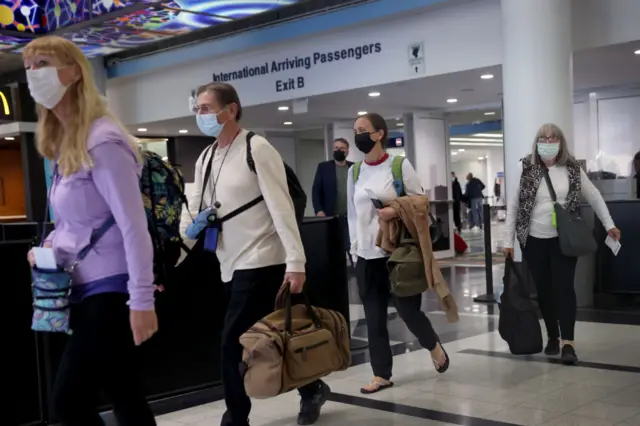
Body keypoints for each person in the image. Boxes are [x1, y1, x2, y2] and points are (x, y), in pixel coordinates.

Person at [23, 36, 157, 426]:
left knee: (68, 402)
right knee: (125, 395)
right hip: (83, 288)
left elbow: (134, 226)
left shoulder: (103, 140)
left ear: (73, 72)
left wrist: (142, 300)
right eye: (29, 67)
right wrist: (50, 246)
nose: (33, 75)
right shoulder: (67, 143)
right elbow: (76, 222)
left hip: (111, 292)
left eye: (42, 63)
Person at [183, 82, 329, 426]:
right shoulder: (206, 157)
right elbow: (193, 211)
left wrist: (296, 262)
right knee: (273, 335)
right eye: (198, 109)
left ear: (230, 109)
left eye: (205, 108)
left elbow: (281, 208)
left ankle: (236, 416)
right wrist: (175, 251)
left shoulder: (256, 147)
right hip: (227, 262)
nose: (200, 115)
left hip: (263, 258)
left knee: (232, 343)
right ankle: (312, 389)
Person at [347, 112, 448, 394]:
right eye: (355, 130)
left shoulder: (399, 165)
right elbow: (352, 215)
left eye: (363, 130)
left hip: (397, 254)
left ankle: (432, 344)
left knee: (408, 311)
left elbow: (420, 203)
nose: (358, 135)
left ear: (379, 134)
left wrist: (394, 209)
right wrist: (354, 250)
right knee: (374, 316)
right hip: (366, 255)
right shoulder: (353, 172)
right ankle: (381, 374)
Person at [504, 123, 620, 365]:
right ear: (537, 142)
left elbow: (594, 196)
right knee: (544, 290)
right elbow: (514, 204)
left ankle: (568, 343)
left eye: (553, 137)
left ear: (561, 142)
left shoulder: (572, 168)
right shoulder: (526, 167)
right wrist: (508, 241)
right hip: (533, 240)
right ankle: (552, 336)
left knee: (565, 288)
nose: (548, 142)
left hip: (563, 240)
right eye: (543, 138)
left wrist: (609, 224)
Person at [312, 138, 354, 258]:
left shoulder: (354, 167)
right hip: (331, 217)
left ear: (347, 151)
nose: (338, 150)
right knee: (333, 251)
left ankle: (356, 275)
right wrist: (319, 210)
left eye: (342, 148)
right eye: (336, 148)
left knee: (352, 249)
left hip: (350, 218)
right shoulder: (323, 167)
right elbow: (316, 191)